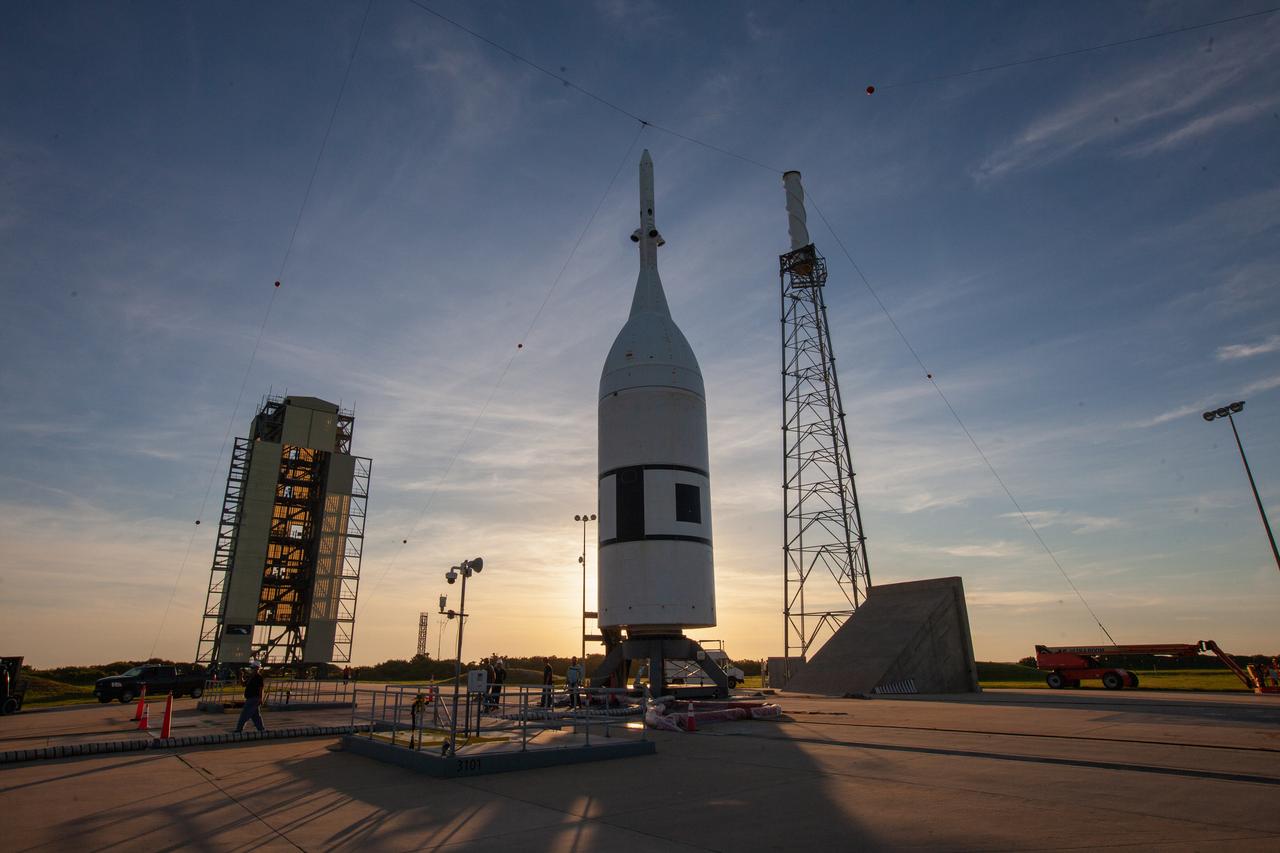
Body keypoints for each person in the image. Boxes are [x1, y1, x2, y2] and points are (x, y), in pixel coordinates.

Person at [234, 660, 266, 733]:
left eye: (253, 668)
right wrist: (241, 676)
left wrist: (261, 699)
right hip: (251, 698)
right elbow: (243, 684)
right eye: (251, 668)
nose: (252, 669)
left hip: (254, 698)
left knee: (244, 714)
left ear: (257, 668)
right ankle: (261, 730)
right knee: (256, 716)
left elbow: (261, 689)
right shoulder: (250, 677)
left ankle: (239, 730)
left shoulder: (259, 678)